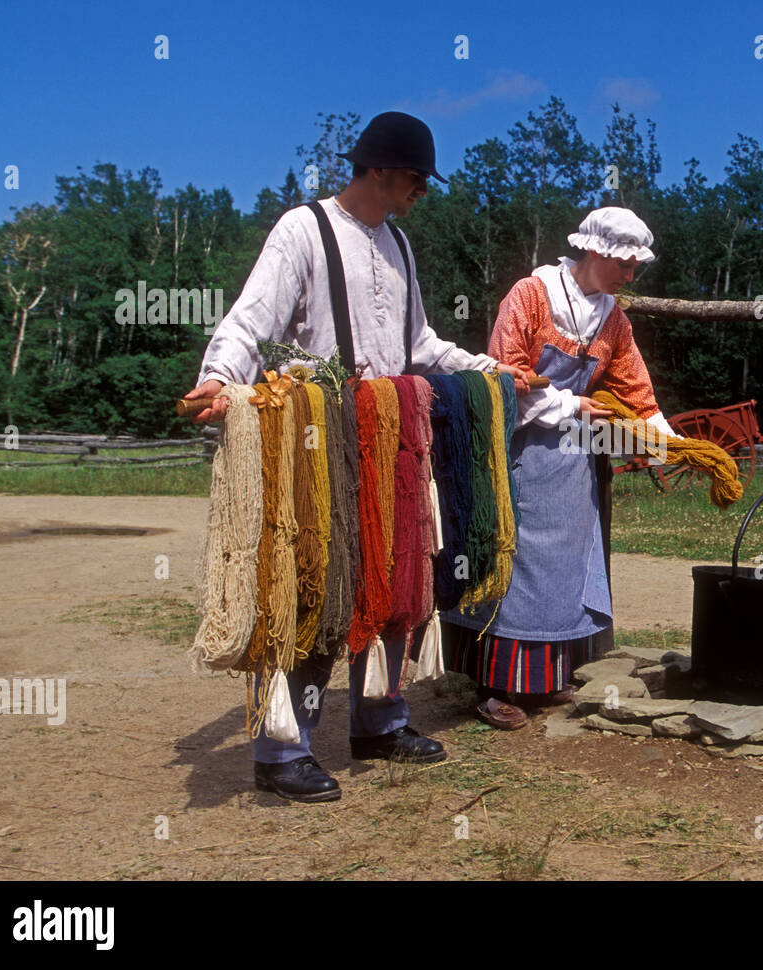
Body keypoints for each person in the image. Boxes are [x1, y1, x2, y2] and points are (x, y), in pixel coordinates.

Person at [185, 111, 529, 801]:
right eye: (414, 181)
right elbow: (250, 319)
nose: (420, 195)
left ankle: (379, 721)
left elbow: (422, 345)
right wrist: (221, 379)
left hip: (393, 439)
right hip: (318, 438)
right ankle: (282, 750)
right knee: (315, 586)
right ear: (378, 170)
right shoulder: (303, 230)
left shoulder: (398, 246)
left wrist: (496, 372)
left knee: (395, 581)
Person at [440, 207, 675, 729]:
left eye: (637, 265)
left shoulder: (612, 317)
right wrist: (570, 406)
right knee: (515, 556)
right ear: (595, 251)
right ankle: (494, 685)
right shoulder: (530, 296)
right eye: (624, 263)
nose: (630, 275)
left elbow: (638, 392)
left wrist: (678, 445)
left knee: (564, 565)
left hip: (572, 467)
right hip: (519, 450)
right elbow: (509, 385)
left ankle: (543, 679)